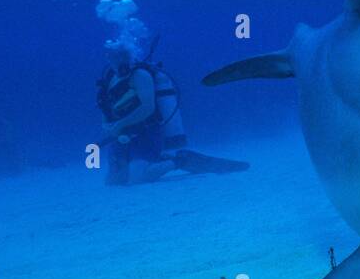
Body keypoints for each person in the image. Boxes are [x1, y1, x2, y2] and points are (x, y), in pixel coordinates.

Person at [97, 40, 248, 185]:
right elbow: (105, 104)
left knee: (138, 178)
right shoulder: (110, 78)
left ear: (128, 56)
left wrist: (120, 124)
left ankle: (180, 160)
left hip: (145, 132)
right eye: (110, 55)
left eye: (119, 55)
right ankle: (160, 158)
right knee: (115, 180)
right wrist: (109, 126)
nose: (113, 58)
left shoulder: (140, 75)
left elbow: (147, 108)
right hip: (121, 134)